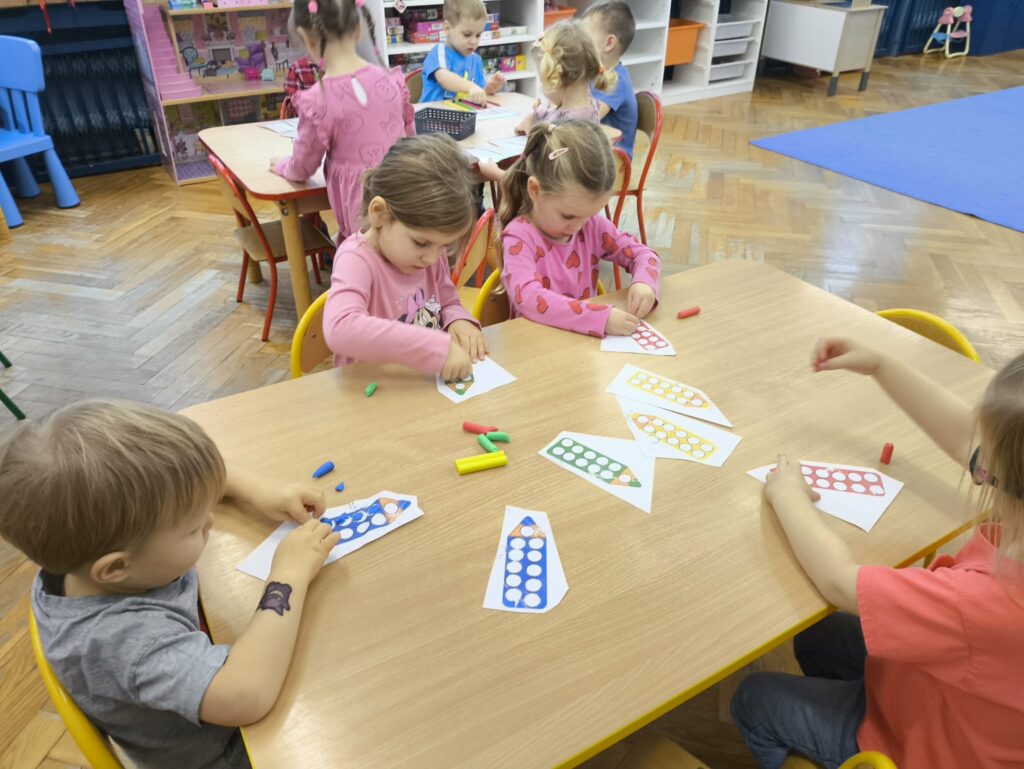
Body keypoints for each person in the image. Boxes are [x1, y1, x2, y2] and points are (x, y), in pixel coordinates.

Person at [732, 338, 1024, 769]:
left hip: (918, 747)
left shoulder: (982, 603)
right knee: (816, 634)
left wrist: (787, 494)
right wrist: (881, 365)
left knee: (754, 698)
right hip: (946, 695)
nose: (977, 464)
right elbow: (971, 441)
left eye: (985, 466)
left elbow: (839, 582)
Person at [0, 400, 339, 769]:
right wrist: (287, 577)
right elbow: (246, 695)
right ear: (116, 567)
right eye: (194, 528)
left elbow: (182, 479)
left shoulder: (90, 551)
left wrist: (261, 490)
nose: (209, 520)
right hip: (225, 752)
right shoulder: (126, 642)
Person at [323, 133, 487, 381]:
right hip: (370, 388)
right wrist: (437, 347)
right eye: (421, 243)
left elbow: (447, 303)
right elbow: (340, 329)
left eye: (443, 246)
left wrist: (458, 320)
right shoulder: (356, 258)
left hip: (419, 383)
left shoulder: (429, 252)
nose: (432, 258)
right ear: (380, 213)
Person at [498, 120, 660, 338]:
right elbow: (528, 299)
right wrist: (598, 318)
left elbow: (644, 254)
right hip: (537, 345)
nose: (578, 226)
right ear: (535, 190)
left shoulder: (592, 226)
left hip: (582, 344)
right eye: (568, 216)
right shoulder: (519, 237)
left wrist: (644, 284)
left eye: (589, 214)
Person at [270, 0, 415, 239]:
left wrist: (282, 165)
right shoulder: (392, 81)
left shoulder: (318, 100)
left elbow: (302, 167)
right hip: (407, 195)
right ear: (359, 28)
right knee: (403, 250)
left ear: (306, 37)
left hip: (362, 212)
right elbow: (411, 139)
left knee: (363, 255)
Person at [515, 20, 615, 136]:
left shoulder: (566, 127)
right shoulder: (587, 105)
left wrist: (534, 134)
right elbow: (554, 113)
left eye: (543, 82)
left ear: (555, 80)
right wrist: (534, 115)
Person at [581, 1, 639, 158]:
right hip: (593, 148)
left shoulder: (616, 82)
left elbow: (588, 117)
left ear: (609, 43)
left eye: (585, 35)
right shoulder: (594, 73)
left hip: (611, 161)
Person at [419, 0, 505, 104]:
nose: (473, 41)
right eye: (467, 34)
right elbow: (444, 78)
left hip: (461, 111)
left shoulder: (475, 59)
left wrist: (489, 88)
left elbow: (478, 90)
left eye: (478, 35)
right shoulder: (439, 52)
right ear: (447, 28)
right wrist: (471, 87)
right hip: (432, 112)